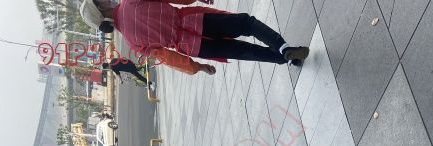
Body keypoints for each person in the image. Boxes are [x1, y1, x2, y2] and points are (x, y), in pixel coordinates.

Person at [79, 0, 310, 76]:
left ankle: (285, 58)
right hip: (197, 20)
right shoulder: (131, 2)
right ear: (102, 9)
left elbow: (167, 57)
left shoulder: (132, 42)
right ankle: (283, 48)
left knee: (243, 51)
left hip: (194, 47)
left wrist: (196, 67)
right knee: (246, 24)